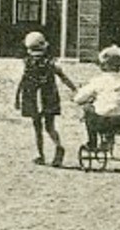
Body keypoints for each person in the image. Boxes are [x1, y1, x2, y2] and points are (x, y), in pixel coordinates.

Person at [16, 31, 76, 166]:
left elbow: (23, 80)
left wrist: (17, 97)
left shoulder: (29, 62)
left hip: (33, 97)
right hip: (48, 97)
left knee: (38, 127)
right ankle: (57, 147)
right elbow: (63, 77)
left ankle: (41, 154)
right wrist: (74, 89)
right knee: (49, 127)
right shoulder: (50, 63)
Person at [73, 45, 120, 153]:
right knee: (116, 108)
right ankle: (109, 140)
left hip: (103, 121)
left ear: (104, 65)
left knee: (88, 109)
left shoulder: (97, 81)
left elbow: (78, 99)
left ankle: (92, 143)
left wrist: (84, 98)